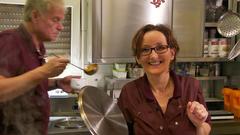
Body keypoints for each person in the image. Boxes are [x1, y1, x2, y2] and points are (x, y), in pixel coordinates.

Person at [0, 0, 78, 135]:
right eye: (55, 19)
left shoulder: (38, 47)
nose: (60, 27)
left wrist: (57, 83)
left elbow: (28, 84)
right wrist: (44, 71)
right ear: (35, 16)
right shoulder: (9, 41)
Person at [117, 24, 211, 135]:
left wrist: (199, 124)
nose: (153, 56)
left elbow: (206, 129)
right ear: (138, 58)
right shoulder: (130, 92)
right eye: (145, 49)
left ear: (172, 53)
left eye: (160, 48)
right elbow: (120, 130)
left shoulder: (191, 86)